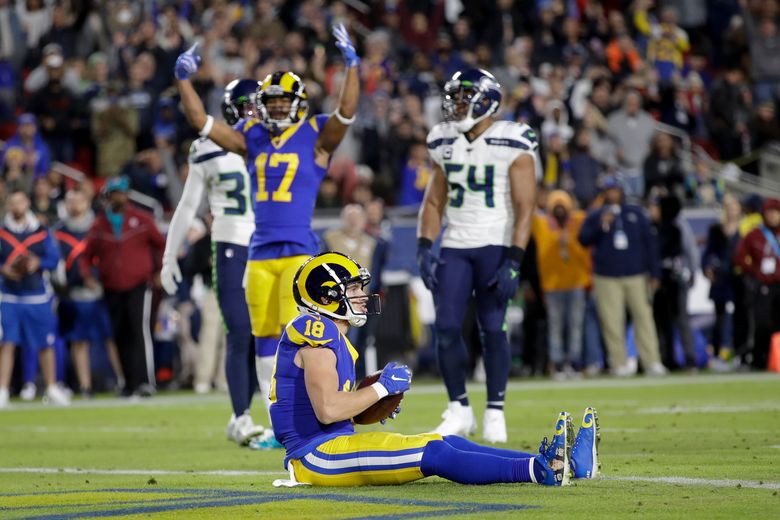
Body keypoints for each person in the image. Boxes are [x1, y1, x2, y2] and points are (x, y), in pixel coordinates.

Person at [270, 251, 600, 487]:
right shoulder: (315, 330)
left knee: (448, 440)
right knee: (436, 452)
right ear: (326, 296)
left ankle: (563, 462)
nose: (362, 295)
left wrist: (368, 404)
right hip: (316, 457)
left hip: (331, 447)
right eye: (353, 289)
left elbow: (329, 409)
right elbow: (327, 410)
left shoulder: (337, 337)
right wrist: (380, 389)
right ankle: (541, 471)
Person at [174, 24, 360, 439]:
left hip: (296, 253)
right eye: (270, 102)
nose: (276, 109)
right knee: (261, 336)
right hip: (258, 253)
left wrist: (351, 67)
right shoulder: (252, 137)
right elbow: (201, 122)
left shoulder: (315, 136)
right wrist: (183, 79)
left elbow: (347, 113)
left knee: (294, 339)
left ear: (297, 104)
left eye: (282, 102)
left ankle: (302, 416)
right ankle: (278, 422)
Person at [416, 68, 538, 443]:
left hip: (495, 243)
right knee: (447, 328)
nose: (456, 105)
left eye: (465, 97)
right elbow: (434, 200)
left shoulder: (513, 139)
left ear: (487, 101)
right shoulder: (442, 139)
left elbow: (525, 207)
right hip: (456, 244)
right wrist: (424, 246)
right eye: (454, 97)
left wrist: (515, 260)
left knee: (492, 328)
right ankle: (459, 408)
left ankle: (496, 410)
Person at [161, 79, 267, 447]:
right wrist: (169, 252)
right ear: (233, 108)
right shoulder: (207, 145)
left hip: (270, 244)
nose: (256, 111)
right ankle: (240, 416)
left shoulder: (276, 139)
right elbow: (189, 205)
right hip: (230, 244)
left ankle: (275, 413)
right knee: (240, 331)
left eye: (259, 104)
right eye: (249, 104)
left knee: (269, 335)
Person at [80, 176, 164, 397]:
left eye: (122, 192)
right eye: (116, 192)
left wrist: (159, 271)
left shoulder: (142, 219)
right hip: (112, 286)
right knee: (119, 335)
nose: (120, 197)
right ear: (109, 195)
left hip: (139, 284)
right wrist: (87, 276)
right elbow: (85, 255)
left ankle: (146, 382)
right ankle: (128, 383)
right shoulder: (99, 224)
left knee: (139, 331)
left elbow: (162, 245)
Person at [578, 176, 666, 377]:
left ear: (621, 191)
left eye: (615, 189)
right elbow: (583, 239)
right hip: (606, 276)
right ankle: (618, 362)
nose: (612, 194)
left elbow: (650, 245)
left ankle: (651, 361)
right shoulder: (596, 214)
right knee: (612, 321)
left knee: (644, 318)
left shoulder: (635, 213)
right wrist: (601, 224)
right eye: (608, 190)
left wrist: (654, 273)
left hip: (636, 275)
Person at [0, 190, 69, 408]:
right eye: (12, 202)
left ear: (27, 202)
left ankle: (51, 386)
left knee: (45, 343)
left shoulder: (41, 231)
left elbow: (54, 258)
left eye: (19, 201)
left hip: (37, 295)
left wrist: (36, 263)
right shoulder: (2, 232)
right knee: (7, 343)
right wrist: (4, 269)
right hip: (9, 295)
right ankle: (2, 390)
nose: (16, 206)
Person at [54, 188, 123, 397]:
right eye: (70, 200)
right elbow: (56, 265)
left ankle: (124, 380)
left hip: (104, 291)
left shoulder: (101, 225)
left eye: (78, 199)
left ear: (87, 201)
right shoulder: (59, 230)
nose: (74, 204)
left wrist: (102, 278)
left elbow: (113, 255)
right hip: (75, 293)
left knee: (112, 338)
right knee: (79, 340)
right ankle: (85, 386)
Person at [733, 198, 780, 370]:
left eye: (776, 212)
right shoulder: (755, 235)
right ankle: (761, 358)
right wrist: (755, 271)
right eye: (769, 212)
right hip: (765, 285)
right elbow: (739, 257)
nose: (773, 216)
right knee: (763, 323)